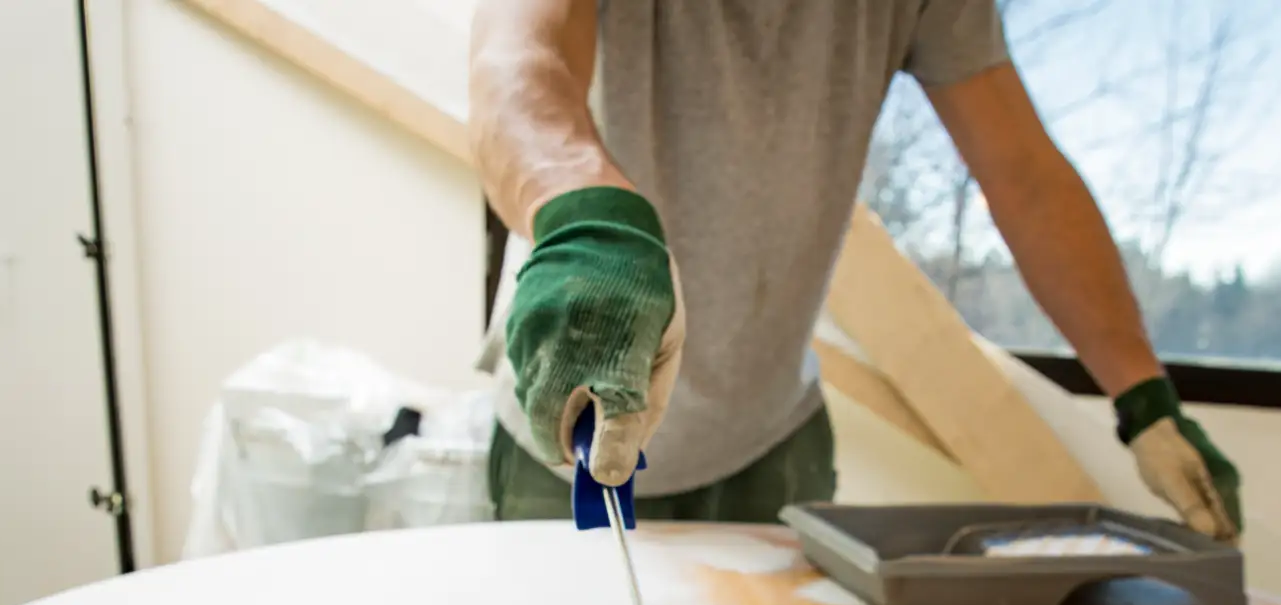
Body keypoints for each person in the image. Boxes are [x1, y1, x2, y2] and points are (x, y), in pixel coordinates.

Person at [470, 0, 1241, 539]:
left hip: (771, 443)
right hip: (567, 426)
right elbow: (517, 62)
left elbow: (1026, 180)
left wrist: (1144, 396)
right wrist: (587, 217)